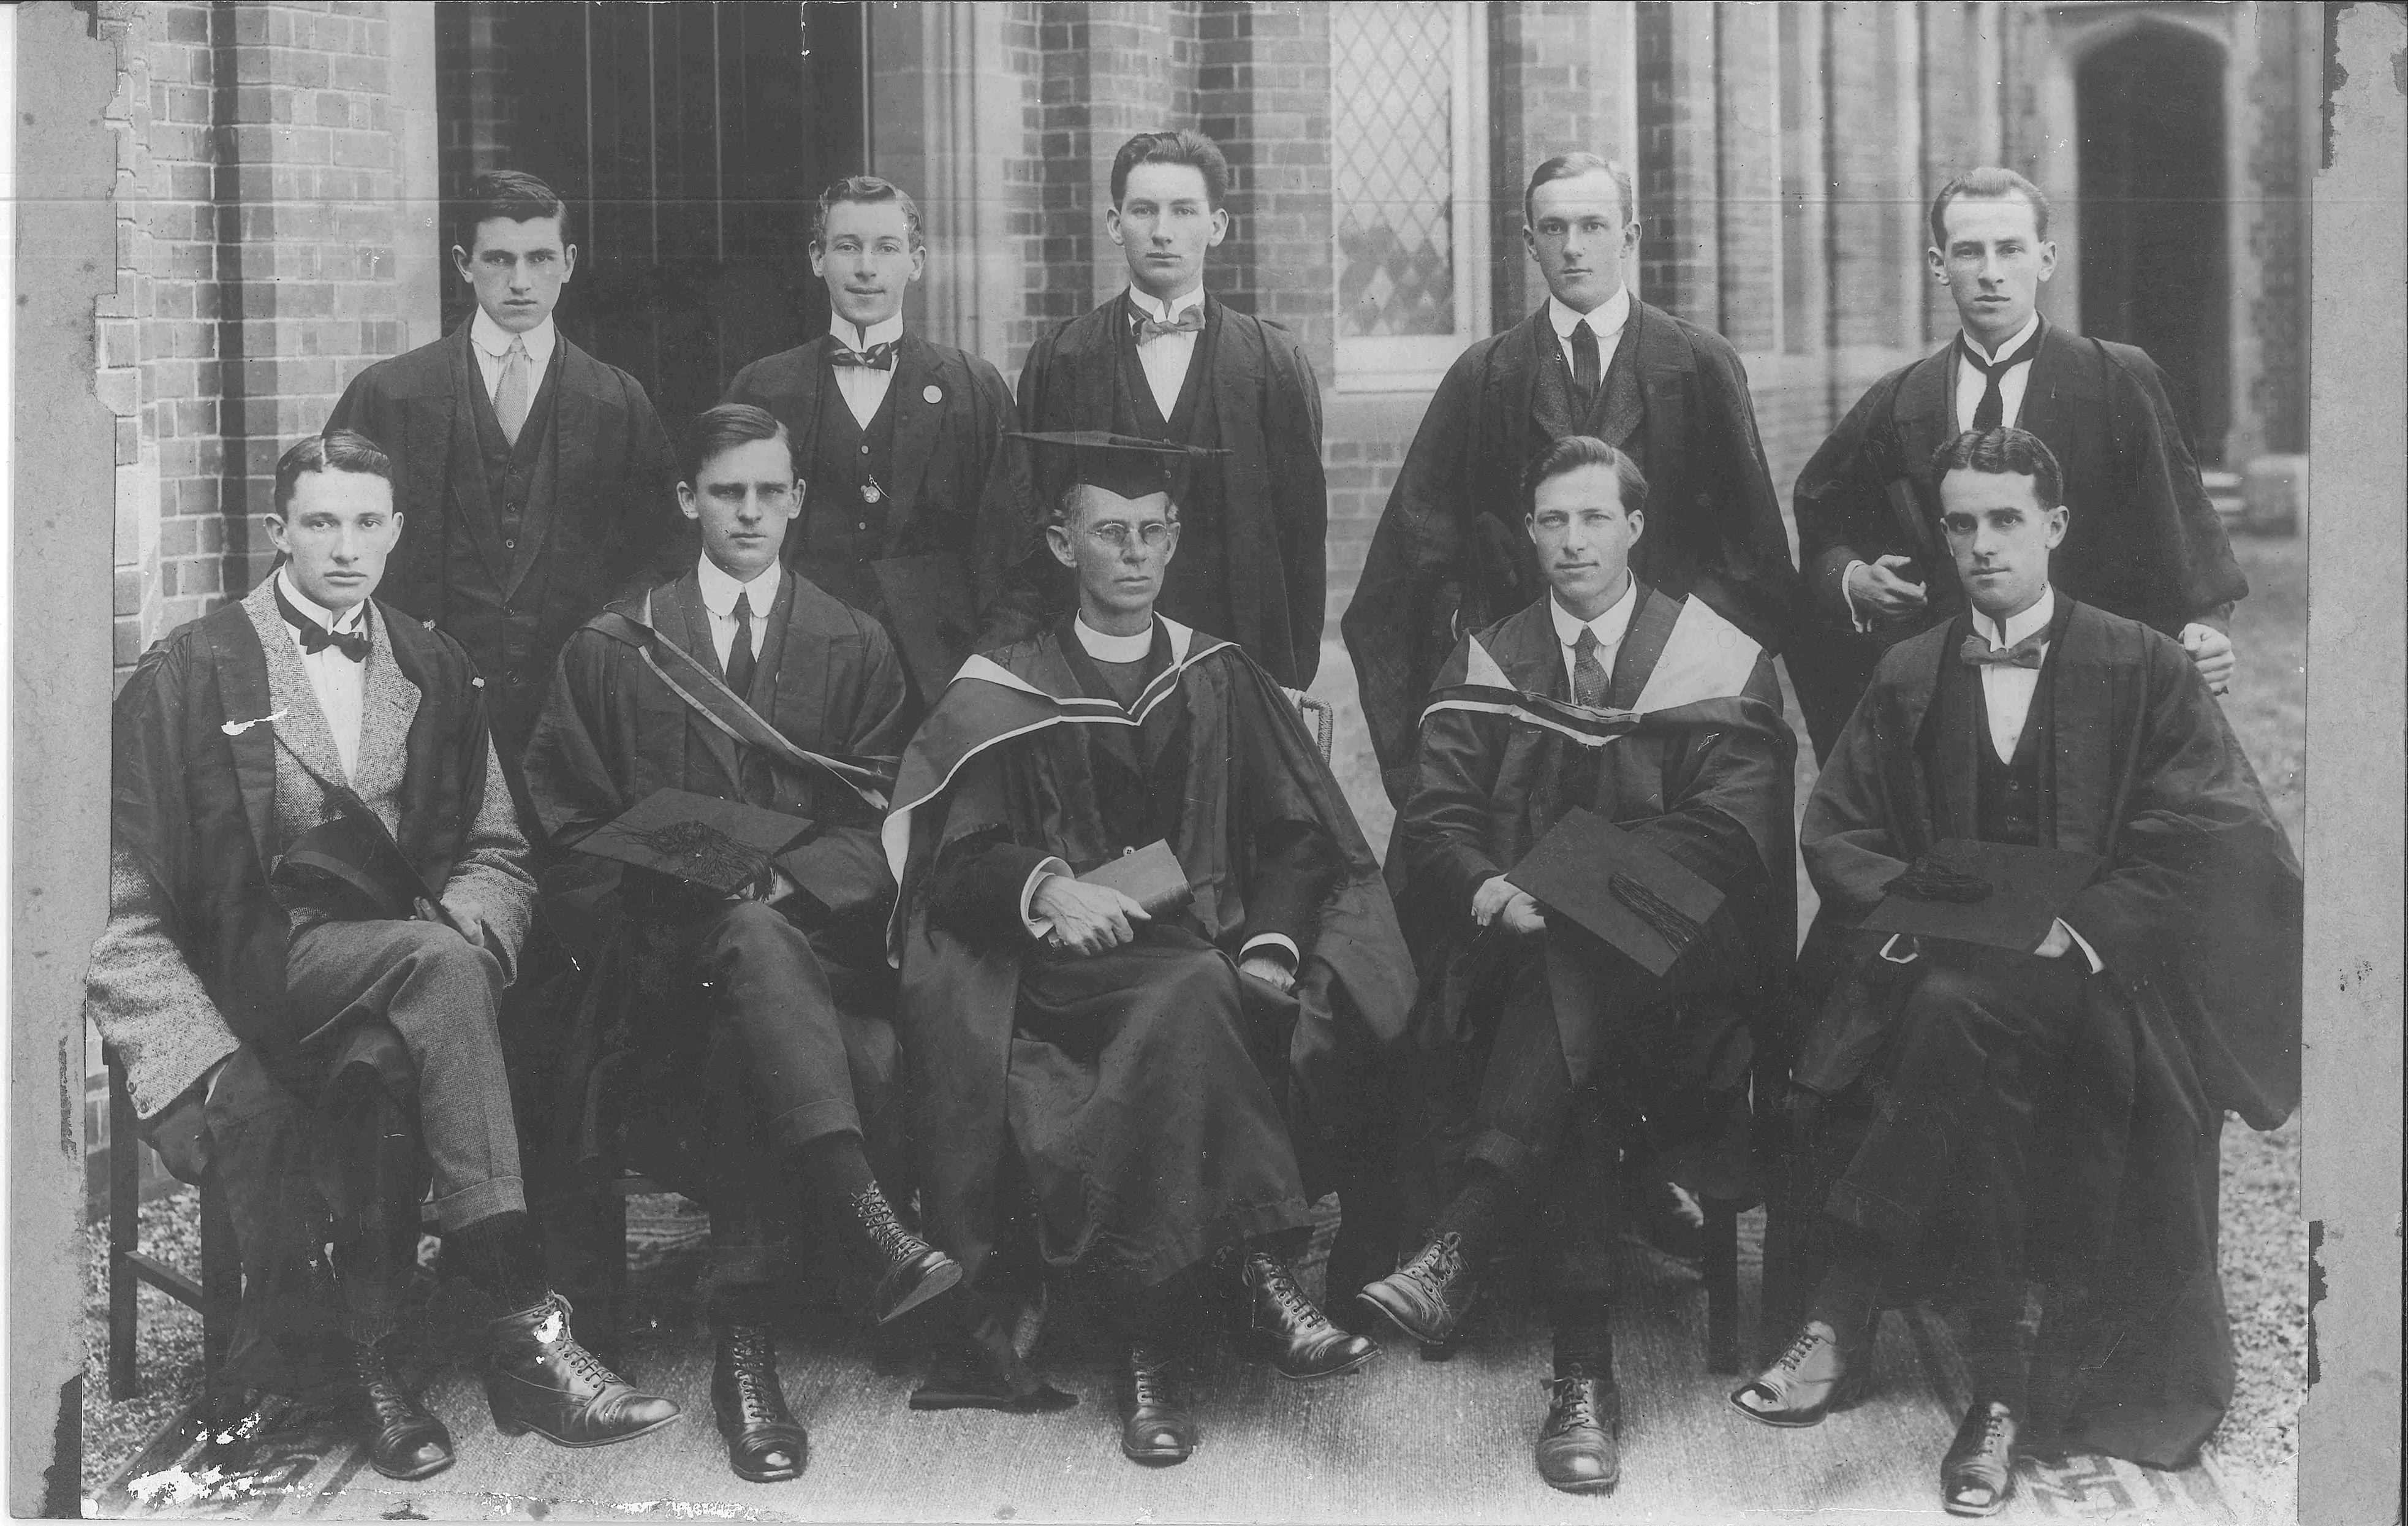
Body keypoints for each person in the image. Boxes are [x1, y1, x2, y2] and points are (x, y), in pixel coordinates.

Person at [85, 433, 680, 1483]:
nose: (345, 546)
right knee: (435, 977)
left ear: (398, 532)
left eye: (367, 522)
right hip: (248, 978)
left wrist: (461, 937)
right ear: (278, 532)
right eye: (320, 522)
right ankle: (521, 1326)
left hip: (386, 974)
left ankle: (364, 1367)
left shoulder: (430, 663)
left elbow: (500, 849)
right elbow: (117, 900)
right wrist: (192, 1054)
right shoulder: (194, 667)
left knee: (405, 1028)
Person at [1735, 428, 2300, 1518]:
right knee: (1952, 1011)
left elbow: (2202, 832)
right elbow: (1839, 830)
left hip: (2105, 990)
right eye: (1961, 523)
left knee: (1949, 1017)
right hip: (1949, 978)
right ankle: (1997, 1396)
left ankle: (1843, 1315)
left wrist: (2078, 930)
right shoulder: (1909, 669)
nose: (1982, 544)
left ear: (2056, 526)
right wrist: (1935, 921)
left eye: (2005, 519)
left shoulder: (2146, 665)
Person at [885, 433, 1414, 1465]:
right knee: (1192, 995)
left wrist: (1271, 940)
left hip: (1210, 962)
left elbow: (1301, 834)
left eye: (1153, 532)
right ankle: (1262, 1277)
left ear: (1174, 543)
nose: (1134, 553)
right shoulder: (1009, 685)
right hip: (1059, 981)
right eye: (1110, 532)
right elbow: (955, 857)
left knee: (1197, 993)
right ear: (1060, 540)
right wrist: (1048, 888)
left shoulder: (1219, 673)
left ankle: (1151, 1358)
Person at [520, 404, 955, 1485]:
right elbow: (563, 830)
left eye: (769, 491)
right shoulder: (618, 650)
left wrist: (781, 881)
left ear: (799, 497)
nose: (750, 512)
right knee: (736, 984)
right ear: (688, 502)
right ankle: (862, 1224)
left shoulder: (853, 644)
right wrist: (701, 873)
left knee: (757, 980)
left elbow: (892, 826)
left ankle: (744, 1353)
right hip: (656, 978)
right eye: (726, 492)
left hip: (810, 963)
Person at [1359, 437, 1795, 1494]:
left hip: (1687, 988)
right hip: (1519, 981)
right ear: (1530, 533)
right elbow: (1437, 819)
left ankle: (1470, 1244)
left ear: (1636, 527)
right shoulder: (1491, 661)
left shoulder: (1715, 658)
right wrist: (1483, 887)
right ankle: (1579, 1381)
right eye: (1552, 521)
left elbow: (1724, 838)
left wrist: (1557, 888)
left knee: (1584, 967)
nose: (1572, 541)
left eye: (1594, 518)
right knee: (1573, 1030)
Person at [1344, 151, 1798, 809]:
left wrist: (1671, 659)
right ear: (1529, 243)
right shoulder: (1485, 376)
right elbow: (1407, 567)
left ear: (1630, 237)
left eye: (1593, 226)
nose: (1574, 247)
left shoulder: (1698, 366)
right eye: (1553, 229)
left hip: (1668, 710)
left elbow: (1754, 562)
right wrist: (1472, 666)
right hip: (1520, 714)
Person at [1788, 167, 2247, 760]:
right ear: (1937, 265)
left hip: (2094, 687)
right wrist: (1852, 578)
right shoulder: (1902, 399)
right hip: (1948, 693)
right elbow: (1826, 517)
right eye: (1968, 252)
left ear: (2046, 258)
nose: (1990, 272)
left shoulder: (2119, 381)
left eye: (2010, 249)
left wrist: (2210, 623)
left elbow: (2183, 525)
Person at [327, 169, 686, 804]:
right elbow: (322, 538)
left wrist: (601, 650)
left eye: (540, 258)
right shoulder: (392, 394)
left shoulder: (615, 401)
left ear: (568, 263)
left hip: (571, 721)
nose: (520, 281)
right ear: (465, 265)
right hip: (422, 712)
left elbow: (664, 556)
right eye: (499, 259)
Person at [1013, 130, 1329, 689]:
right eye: (1143, 210)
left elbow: (1301, 539)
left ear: (1217, 226)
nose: (1162, 232)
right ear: (1115, 225)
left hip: (1238, 661)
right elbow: (1040, 533)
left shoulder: (1273, 363)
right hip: (1098, 669)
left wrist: (1288, 680)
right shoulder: (1062, 360)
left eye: (1184, 210)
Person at [722, 175, 1036, 702]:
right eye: (847, 247)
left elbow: (1015, 556)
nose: (866, 268)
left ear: (916, 262)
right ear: (817, 259)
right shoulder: (764, 388)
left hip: (941, 678)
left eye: (886, 248)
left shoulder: (972, 389)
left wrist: (984, 675)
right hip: (796, 669)